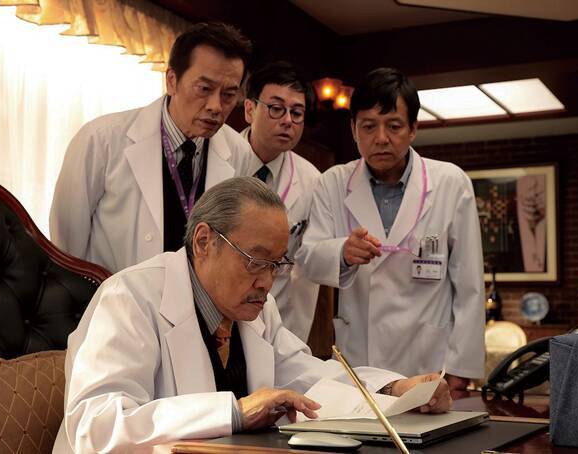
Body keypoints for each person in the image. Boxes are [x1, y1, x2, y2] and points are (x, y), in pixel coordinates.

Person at [53, 177, 452, 453]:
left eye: (276, 264)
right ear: (204, 241)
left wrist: (393, 389)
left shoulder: (256, 308)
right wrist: (234, 412)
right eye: (255, 261)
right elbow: (96, 426)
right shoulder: (130, 298)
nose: (267, 282)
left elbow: (308, 376)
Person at [297, 68, 485, 390]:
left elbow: (469, 285)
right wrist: (342, 252)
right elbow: (307, 259)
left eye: (394, 126)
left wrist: (461, 367)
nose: (381, 138)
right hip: (362, 356)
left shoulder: (451, 183)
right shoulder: (333, 183)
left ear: (413, 129)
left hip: (429, 356)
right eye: (369, 126)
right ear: (353, 129)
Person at [49, 22, 253, 273]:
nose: (216, 106)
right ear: (172, 81)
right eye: (204, 89)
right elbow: (66, 250)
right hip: (111, 295)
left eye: (228, 95)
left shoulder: (239, 153)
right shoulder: (101, 140)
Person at [241, 61, 321, 341]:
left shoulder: (312, 180)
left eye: (296, 113)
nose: (287, 120)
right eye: (276, 108)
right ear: (249, 110)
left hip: (283, 321)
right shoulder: (218, 162)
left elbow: (313, 256)